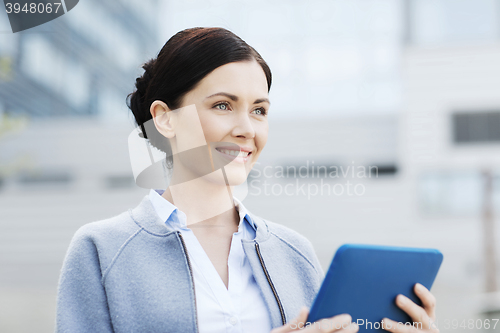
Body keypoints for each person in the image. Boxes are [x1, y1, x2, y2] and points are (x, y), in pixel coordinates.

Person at [55, 27, 439, 333]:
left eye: (259, 110)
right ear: (165, 118)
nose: (246, 129)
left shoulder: (294, 253)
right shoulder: (101, 249)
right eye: (223, 105)